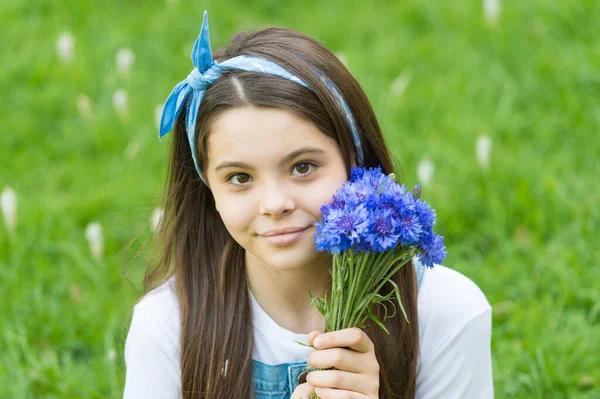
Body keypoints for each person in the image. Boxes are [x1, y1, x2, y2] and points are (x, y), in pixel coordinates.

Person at [123, 10, 493, 399]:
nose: (275, 204)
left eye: (302, 167)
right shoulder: (167, 327)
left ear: (356, 159)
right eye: (240, 178)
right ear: (207, 188)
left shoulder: (444, 311)